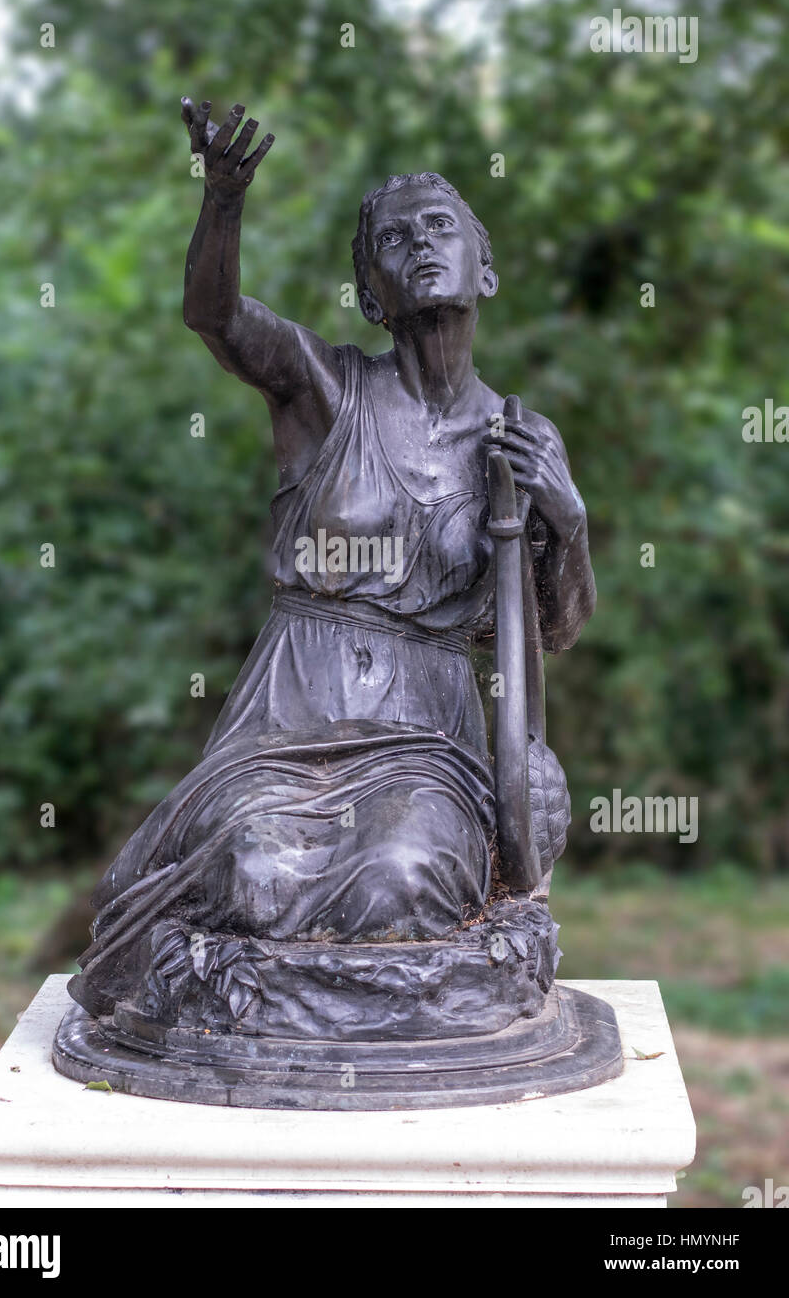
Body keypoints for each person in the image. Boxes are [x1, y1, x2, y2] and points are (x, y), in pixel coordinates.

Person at [68, 101, 595, 1020]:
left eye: (441, 228)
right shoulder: (325, 388)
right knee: (254, 873)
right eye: (392, 241)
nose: (420, 247)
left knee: (402, 876)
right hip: (292, 718)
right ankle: (272, 1011)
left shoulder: (521, 438)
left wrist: (570, 519)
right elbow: (217, 315)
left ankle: (366, 1020)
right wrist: (222, 197)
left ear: (487, 266)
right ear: (370, 295)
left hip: (426, 738)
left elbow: (555, 631)